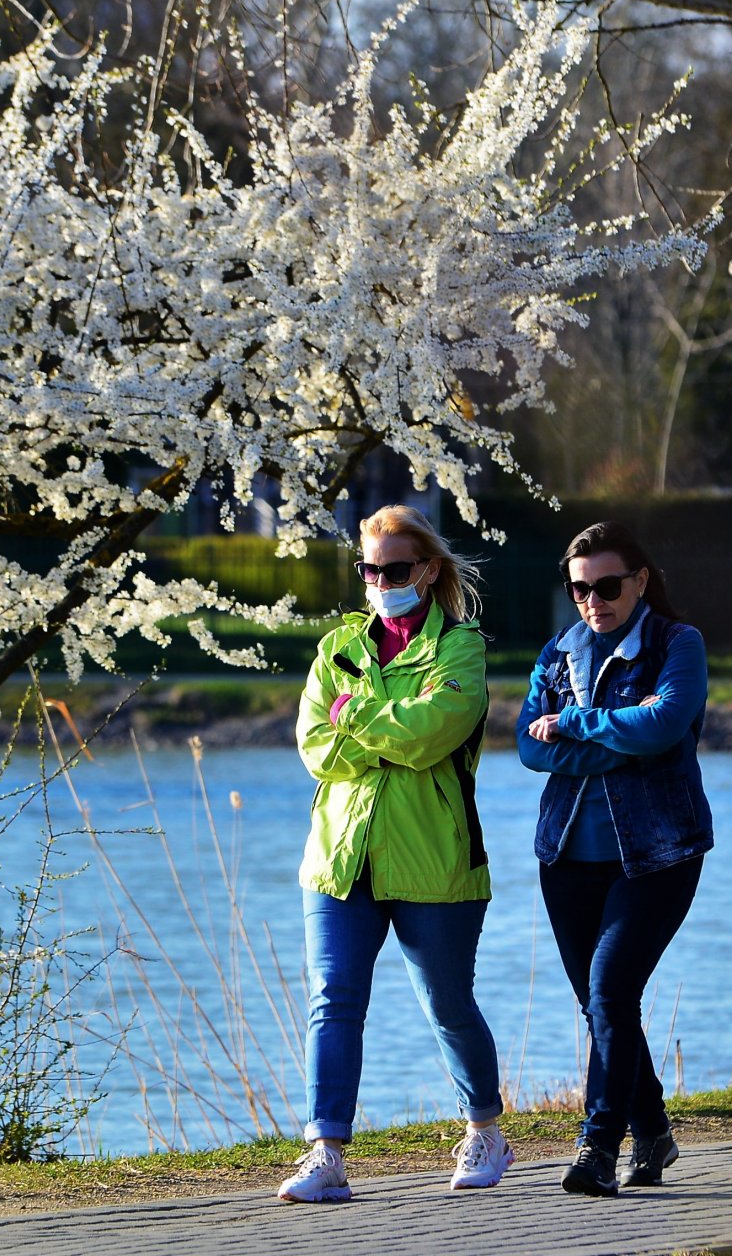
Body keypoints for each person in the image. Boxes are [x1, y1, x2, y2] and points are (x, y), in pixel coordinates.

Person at [279, 504, 512, 1203]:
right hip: (339, 857)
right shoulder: (336, 650)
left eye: (397, 568)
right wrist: (377, 729)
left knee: (446, 1002)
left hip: (433, 859)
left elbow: (431, 735)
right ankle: (326, 1154)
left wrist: (356, 717)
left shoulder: (460, 649)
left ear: (429, 570)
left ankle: (486, 1130)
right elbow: (315, 747)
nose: (382, 581)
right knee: (333, 1000)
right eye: (370, 569)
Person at [516, 521, 712, 1198]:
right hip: (567, 855)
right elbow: (527, 747)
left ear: (640, 581)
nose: (592, 599)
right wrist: (621, 739)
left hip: (658, 855)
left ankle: (599, 1146)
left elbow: (663, 724)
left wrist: (573, 723)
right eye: (579, 588)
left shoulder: (677, 645)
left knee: (609, 991)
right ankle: (653, 1129)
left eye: (606, 585)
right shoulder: (559, 651)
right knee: (604, 1004)